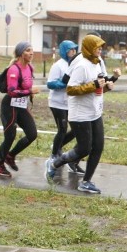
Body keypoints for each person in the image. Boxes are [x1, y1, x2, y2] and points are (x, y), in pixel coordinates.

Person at [44, 34, 115, 194]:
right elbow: (70, 89)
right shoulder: (81, 65)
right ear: (89, 47)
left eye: (101, 47)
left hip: (95, 111)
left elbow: (97, 87)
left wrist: (107, 86)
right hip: (80, 114)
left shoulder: (97, 64)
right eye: (97, 47)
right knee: (84, 149)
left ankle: (86, 181)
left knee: (98, 147)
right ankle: (55, 163)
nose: (100, 50)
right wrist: (93, 85)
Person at [0, 41, 40, 178]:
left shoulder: (30, 68)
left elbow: (26, 85)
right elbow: (12, 91)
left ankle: (10, 155)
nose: (31, 53)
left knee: (32, 134)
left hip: (21, 106)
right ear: (20, 53)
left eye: (32, 50)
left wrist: (29, 93)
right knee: (10, 136)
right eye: (28, 50)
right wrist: (29, 91)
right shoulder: (14, 69)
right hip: (10, 106)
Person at [46, 40, 85, 176]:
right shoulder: (58, 65)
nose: (73, 52)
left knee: (75, 130)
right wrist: (63, 84)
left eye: (74, 49)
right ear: (64, 51)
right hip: (57, 103)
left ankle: (58, 147)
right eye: (70, 50)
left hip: (70, 103)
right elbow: (50, 84)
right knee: (62, 129)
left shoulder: (76, 64)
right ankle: (54, 155)